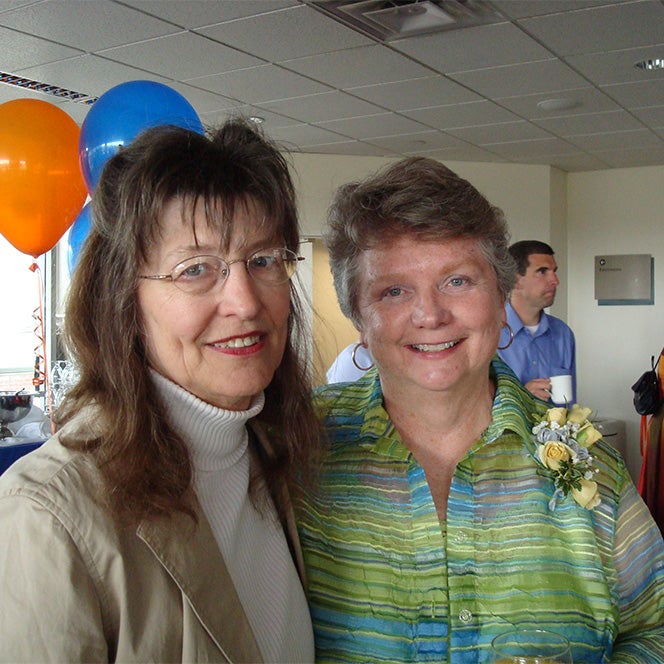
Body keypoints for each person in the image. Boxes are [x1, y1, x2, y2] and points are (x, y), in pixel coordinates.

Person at [297, 156, 664, 662]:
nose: (430, 315)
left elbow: (655, 627)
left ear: (499, 298)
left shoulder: (588, 462)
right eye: (394, 290)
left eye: (457, 281)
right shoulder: (295, 446)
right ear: (359, 317)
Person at [0, 120, 319, 662]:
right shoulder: (47, 515)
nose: (244, 301)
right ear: (124, 300)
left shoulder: (281, 455)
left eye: (263, 260)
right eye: (195, 269)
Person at [497, 240, 576, 403]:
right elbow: (471, 404)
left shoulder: (563, 333)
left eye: (554, 271)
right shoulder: (490, 333)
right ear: (515, 280)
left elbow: (571, 406)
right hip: (507, 428)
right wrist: (521, 396)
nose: (555, 281)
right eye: (542, 271)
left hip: (558, 428)